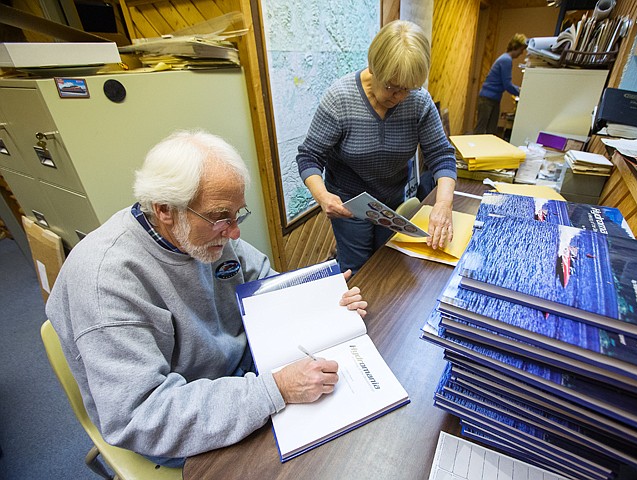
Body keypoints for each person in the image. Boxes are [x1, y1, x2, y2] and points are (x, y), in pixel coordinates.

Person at [45, 130, 368, 467]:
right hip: (182, 420)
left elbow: (264, 284)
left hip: (241, 376)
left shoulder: (205, 233)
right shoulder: (106, 280)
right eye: (219, 217)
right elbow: (142, 416)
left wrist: (320, 297)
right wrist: (275, 390)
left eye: (237, 214)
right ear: (165, 210)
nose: (234, 232)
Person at [297, 20, 457, 275]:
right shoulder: (340, 99)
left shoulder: (419, 101)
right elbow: (309, 156)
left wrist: (443, 203)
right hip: (350, 202)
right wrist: (323, 196)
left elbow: (441, 155)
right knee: (357, 269)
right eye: (392, 87)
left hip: (391, 200)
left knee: (389, 261)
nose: (400, 98)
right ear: (373, 68)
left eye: (408, 89)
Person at [474, 33, 527, 135]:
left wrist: (519, 91)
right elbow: (507, 85)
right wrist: (522, 93)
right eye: (521, 50)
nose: (521, 53)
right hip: (487, 99)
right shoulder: (506, 60)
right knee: (480, 130)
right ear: (516, 47)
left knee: (490, 130)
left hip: (493, 99)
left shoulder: (505, 58)